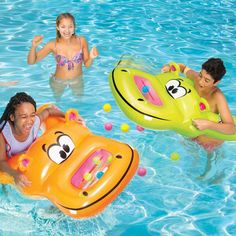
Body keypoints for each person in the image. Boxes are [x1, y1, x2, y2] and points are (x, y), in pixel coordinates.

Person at [0, 92, 79, 188]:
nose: (29, 121)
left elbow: (48, 111)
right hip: (12, 160)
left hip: (31, 155)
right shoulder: (3, 134)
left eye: (32, 115)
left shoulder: (35, 122)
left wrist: (66, 116)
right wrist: (15, 174)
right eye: (24, 116)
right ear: (12, 117)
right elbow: (2, 161)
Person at [161, 58, 235, 151]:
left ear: (216, 82)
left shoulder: (217, 97)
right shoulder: (196, 78)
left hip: (208, 141)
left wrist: (209, 125)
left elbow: (232, 128)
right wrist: (169, 67)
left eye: (206, 80)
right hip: (190, 131)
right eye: (201, 75)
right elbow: (183, 68)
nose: (200, 82)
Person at [27, 13, 99, 100]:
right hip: (58, 81)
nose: (67, 30)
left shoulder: (82, 41)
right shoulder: (53, 44)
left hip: (77, 80)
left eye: (70, 26)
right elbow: (31, 62)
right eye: (63, 27)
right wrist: (34, 46)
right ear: (57, 27)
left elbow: (87, 65)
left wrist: (91, 57)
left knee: (79, 101)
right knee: (58, 101)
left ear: (74, 27)